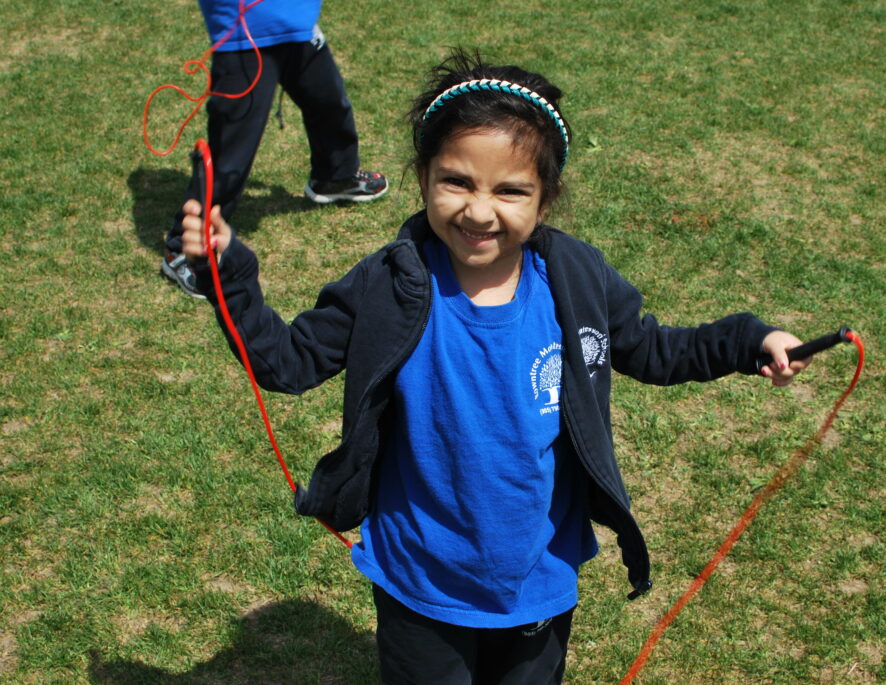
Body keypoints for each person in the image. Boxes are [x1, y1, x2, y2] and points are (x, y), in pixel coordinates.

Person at [179, 49, 810, 684]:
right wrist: (227, 272)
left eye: (510, 191)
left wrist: (747, 341)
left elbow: (653, 347)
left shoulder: (576, 280)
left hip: (538, 580)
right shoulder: (389, 284)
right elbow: (289, 360)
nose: (480, 212)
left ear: (547, 197)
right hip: (418, 582)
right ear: (424, 176)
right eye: (457, 181)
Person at [162, 0, 387, 299]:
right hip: (244, 36)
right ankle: (182, 250)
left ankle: (335, 177)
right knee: (231, 155)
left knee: (330, 105)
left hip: (297, 25)